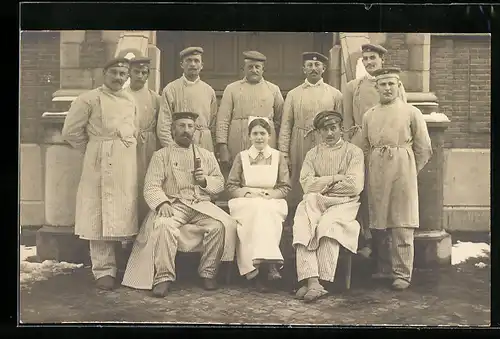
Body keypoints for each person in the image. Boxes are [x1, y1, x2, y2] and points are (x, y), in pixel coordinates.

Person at [122, 111, 237, 298]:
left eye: (190, 127)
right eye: (182, 126)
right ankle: (163, 277)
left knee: (219, 226)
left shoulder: (206, 155)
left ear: (195, 131)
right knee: (164, 226)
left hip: (200, 204)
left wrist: (204, 181)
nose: (186, 130)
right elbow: (152, 185)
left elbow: (219, 184)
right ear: (173, 130)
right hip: (174, 203)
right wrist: (161, 203)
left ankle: (208, 273)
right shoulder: (162, 155)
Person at [61, 58, 139, 291]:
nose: (118, 77)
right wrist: (95, 149)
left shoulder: (130, 99)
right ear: (104, 73)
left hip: (126, 162)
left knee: (123, 211)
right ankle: (103, 270)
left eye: (122, 74)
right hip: (99, 161)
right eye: (113, 72)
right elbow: (70, 132)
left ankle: (122, 264)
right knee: (99, 213)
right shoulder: (88, 99)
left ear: (127, 77)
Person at [360, 67, 432, 290]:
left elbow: (424, 148)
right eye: (383, 84)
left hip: (402, 169)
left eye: (392, 84)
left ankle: (402, 272)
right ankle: (384, 268)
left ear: (398, 85)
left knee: (402, 221)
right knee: (379, 220)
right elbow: (364, 147)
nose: (387, 88)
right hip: (377, 170)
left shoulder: (412, 112)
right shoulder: (369, 115)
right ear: (377, 87)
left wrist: (409, 168)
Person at [342, 44, 407, 260]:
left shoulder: (394, 86)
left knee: (383, 191)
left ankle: (385, 243)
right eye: (366, 59)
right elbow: (348, 121)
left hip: (385, 148)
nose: (369, 62)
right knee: (362, 191)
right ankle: (364, 238)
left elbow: (402, 116)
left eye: (373, 58)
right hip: (362, 145)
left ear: (382, 61)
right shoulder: (353, 86)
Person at [292, 111, 364, 303]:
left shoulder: (353, 152)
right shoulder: (312, 154)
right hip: (316, 199)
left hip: (345, 203)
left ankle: (322, 280)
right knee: (303, 223)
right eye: (325, 129)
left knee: (326, 226)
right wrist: (334, 179)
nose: (330, 133)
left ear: (341, 129)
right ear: (318, 132)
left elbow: (354, 185)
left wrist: (321, 184)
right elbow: (306, 183)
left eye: (333, 128)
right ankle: (312, 280)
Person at [226, 117, 291, 292]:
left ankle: (258, 269)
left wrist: (271, 194)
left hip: (272, 201)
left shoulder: (278, 157)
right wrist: (248, 192)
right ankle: (270, 267)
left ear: (269, 136)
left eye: (263, 133)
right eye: (255, 134)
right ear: (249, 136)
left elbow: (285, 186)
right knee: (257, 210)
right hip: (245, 202)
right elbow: (231, 186)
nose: (259, 137)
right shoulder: (242, 157)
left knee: (265, 212)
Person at [278, 52, 343, 209]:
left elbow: (342, 125)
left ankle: (322, 211)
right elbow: (286, 124)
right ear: (304, 69)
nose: (313, 68)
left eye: (317, 65)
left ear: (324, 68)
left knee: (323, 176)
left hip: (325, 141)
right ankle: (296, 214)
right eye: (309, 65)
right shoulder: (293, 94)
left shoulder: (335, 94)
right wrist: (284, 153)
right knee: (299, 177)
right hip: (300, 141)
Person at [216, 51, 284, 171]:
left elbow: (281, 120)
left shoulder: (273, 89)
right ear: (244, 69)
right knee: (238, 176)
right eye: (250, 67)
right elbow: (223, 120)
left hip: (265, 143)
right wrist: (223, 147)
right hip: (237, 142)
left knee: (264, 177)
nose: (254, 70)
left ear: (263, 70)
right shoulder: (232, 89)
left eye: (257, 67)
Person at [157, 47, 218, 152]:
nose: (193, 64)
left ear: (202, 65)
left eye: (196, 61)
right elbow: (163, 125)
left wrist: (213, 147)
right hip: (180, 143)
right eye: (189, 60)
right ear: (182, 64)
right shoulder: (171, 89)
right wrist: (172, 148)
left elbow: (214, 123)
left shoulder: (209, 91)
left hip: (205, 144)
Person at [125, 56, 162, 223]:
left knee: (147, 181)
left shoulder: (155, 98)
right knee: (128, 182)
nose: (140, 75)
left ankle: (146, 222)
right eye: (136, 72)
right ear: (129, 74)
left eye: (144, 72)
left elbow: (161, 124)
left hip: (149, 144)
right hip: (127, 145)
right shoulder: (122, 95)